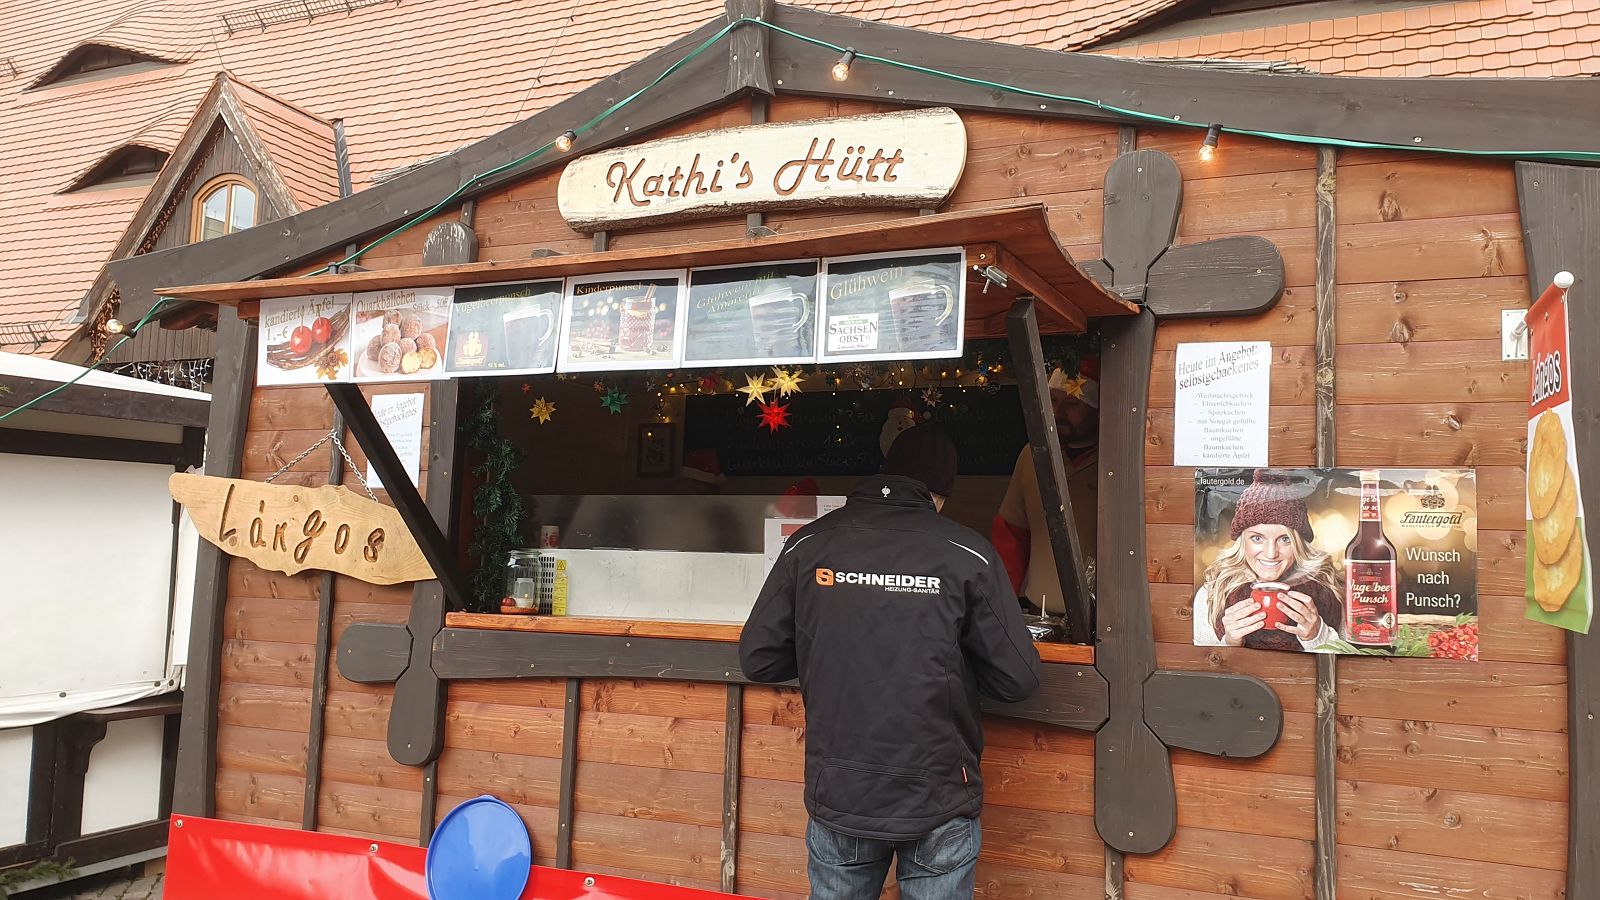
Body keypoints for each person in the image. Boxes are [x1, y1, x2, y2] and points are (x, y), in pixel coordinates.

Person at [740, 424, 1041, 900]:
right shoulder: (965, 553)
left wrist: (830, 646)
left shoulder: (809, 544)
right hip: (938, 793)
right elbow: (1017, 678)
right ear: (938, 494)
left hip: (840, 790)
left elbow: (759, 659)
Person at [992, 360, 1100, 616]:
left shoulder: (1119, 462)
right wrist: (1000, 606)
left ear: (1097, 408)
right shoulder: (1032, 456)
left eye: (1072, 404)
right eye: (1053, 400)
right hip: (1039, 614)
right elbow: (1011, 535)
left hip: (1108, 622)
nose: (1059, 412)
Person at [1193, 471, 1343, 651]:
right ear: (1242, 542)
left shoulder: (1330, 591)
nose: (1271, 554)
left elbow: (1353, 657)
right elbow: (1202, 660)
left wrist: (1317, 636)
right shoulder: (1212, 594)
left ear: (1299, 544)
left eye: (1285, 539)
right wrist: (1230, 643)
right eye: (1257, 538)